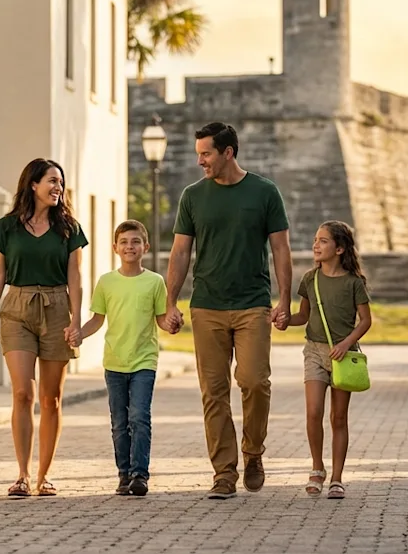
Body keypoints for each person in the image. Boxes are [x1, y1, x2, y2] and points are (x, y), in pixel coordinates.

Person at [165, 122, 293, 500]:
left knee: (255, 381)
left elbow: (281, 249)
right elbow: (180, 252)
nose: (200, 160)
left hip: (253, 304)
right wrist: (171, 302)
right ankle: (224, 472)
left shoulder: (265, 192)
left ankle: (253, 452)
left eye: (206, 153)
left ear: (228, 153)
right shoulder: (192, 196)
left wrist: (285, 300)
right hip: (207, 306)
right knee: (214, 392)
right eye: (198, 153)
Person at [0, 158, 87, 498]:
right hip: (17, 308)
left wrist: (75, 320)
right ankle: (22, 475)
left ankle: (44, 476)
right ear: (33, 185)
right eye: (52, 181)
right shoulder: (7, 227)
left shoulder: (69, 228)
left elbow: (75, 276)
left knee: (51, 398)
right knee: (22, 393)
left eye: (61, 183)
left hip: (56, 307)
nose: (58, 188)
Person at [81, 220, 180, 497]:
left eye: (135, 241)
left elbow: (161, 319)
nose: (130, 246)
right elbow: (97, 320)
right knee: (119, 422)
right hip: (114, 362)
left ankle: (140, 474)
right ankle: (123, 473)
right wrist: (78, 334)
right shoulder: (106, 282)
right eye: (124, 242)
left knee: (139, 417)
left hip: (144, 361)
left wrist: (171, 323)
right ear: (115, 248)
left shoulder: (154, 282)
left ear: (145, 247)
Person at [276, 221, 372, 500]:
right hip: (314, 353)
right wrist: (284, 320)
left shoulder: (354, 283)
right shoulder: (310, 279)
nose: (316, 245)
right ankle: (317, 468)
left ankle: (337, 478)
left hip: (345, 356)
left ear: (340, 248)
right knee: (314, 412)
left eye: (323, 241)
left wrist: (345, 344)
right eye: (316, 240)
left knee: (338, 418)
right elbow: (302, 317)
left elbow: (365, 321)